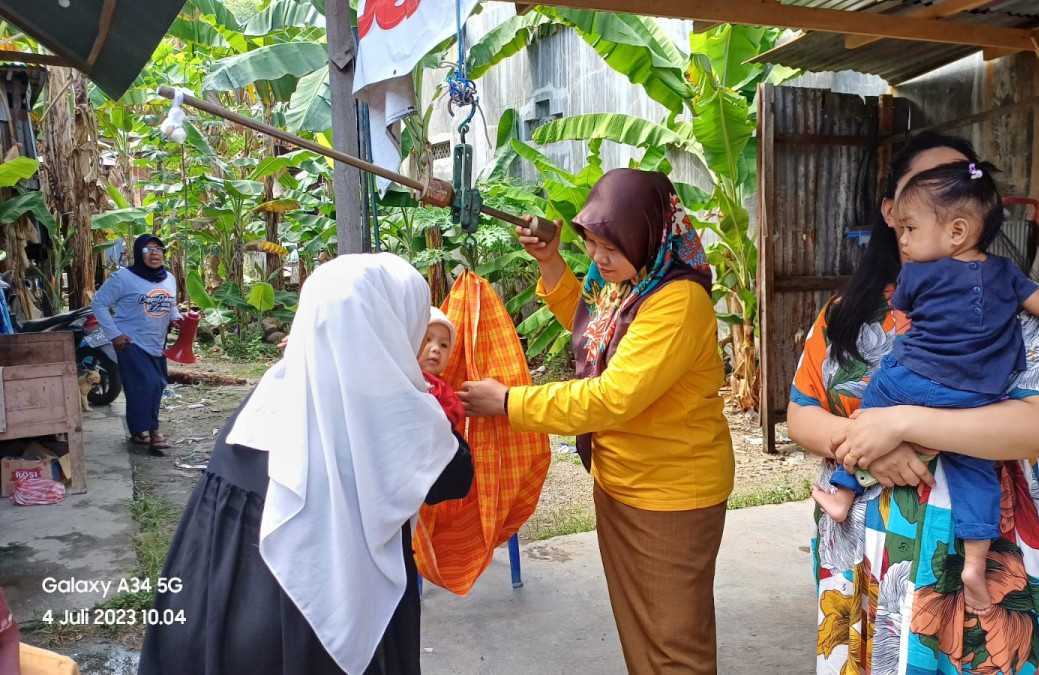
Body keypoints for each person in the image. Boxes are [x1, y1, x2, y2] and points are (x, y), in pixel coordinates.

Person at [788, 131, 1039, 674]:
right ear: (894, 211)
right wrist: (866, 449)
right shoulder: (848, 312)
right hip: (867, 549)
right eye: (926, 187)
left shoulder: (1018, 308)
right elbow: (802, 413)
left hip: (987, 555)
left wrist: (902, 424)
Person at [138, 254, 474, 675]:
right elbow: (458, 475)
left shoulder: (265, 401)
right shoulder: (400, 415)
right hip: (322, 636)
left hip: (220, 621)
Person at [458, 168, 733, 674]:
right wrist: (550, 262)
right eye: (592, 243)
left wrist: (510, 402)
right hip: (624, 484)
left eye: (612, 245)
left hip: (670, 496)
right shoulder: (631, 282)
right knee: (642, 632)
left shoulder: (676, 300)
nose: (599, 257)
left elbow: (610, 397)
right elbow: (592, 329)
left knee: (675, 645)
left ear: (647, 234)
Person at [91, 234, 181, 453]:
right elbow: (99, 304)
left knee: (144, 386)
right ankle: (155, 432)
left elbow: (171, 304)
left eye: (158, 248)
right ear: (138, 253)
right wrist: (114, 334)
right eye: (147, 249)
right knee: (151, 384)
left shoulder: (168, 277)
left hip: (156, 342)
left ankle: (137, 429)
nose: (154, 253)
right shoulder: (123, 278)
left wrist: (176, 318)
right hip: (129, 341)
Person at [420, 307, 464, 427]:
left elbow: (453, 413)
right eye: (428, 340)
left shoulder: (443, 387)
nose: (436, 349)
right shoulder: (401, 376)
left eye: (444, 345)